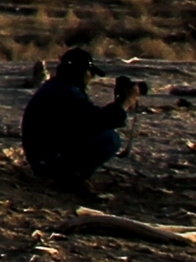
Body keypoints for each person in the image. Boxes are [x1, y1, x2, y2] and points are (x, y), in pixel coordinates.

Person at [22, 36, 138, 196]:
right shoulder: (65, 92)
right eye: (90, 72)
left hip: (43, 154)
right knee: (109, 138)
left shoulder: (58, 88)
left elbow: (87, 119)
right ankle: (69, 177)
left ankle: (67, 175)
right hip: (48, 158)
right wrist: (124, 102)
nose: (91, 77)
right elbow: (99, 121)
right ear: (81, 71)